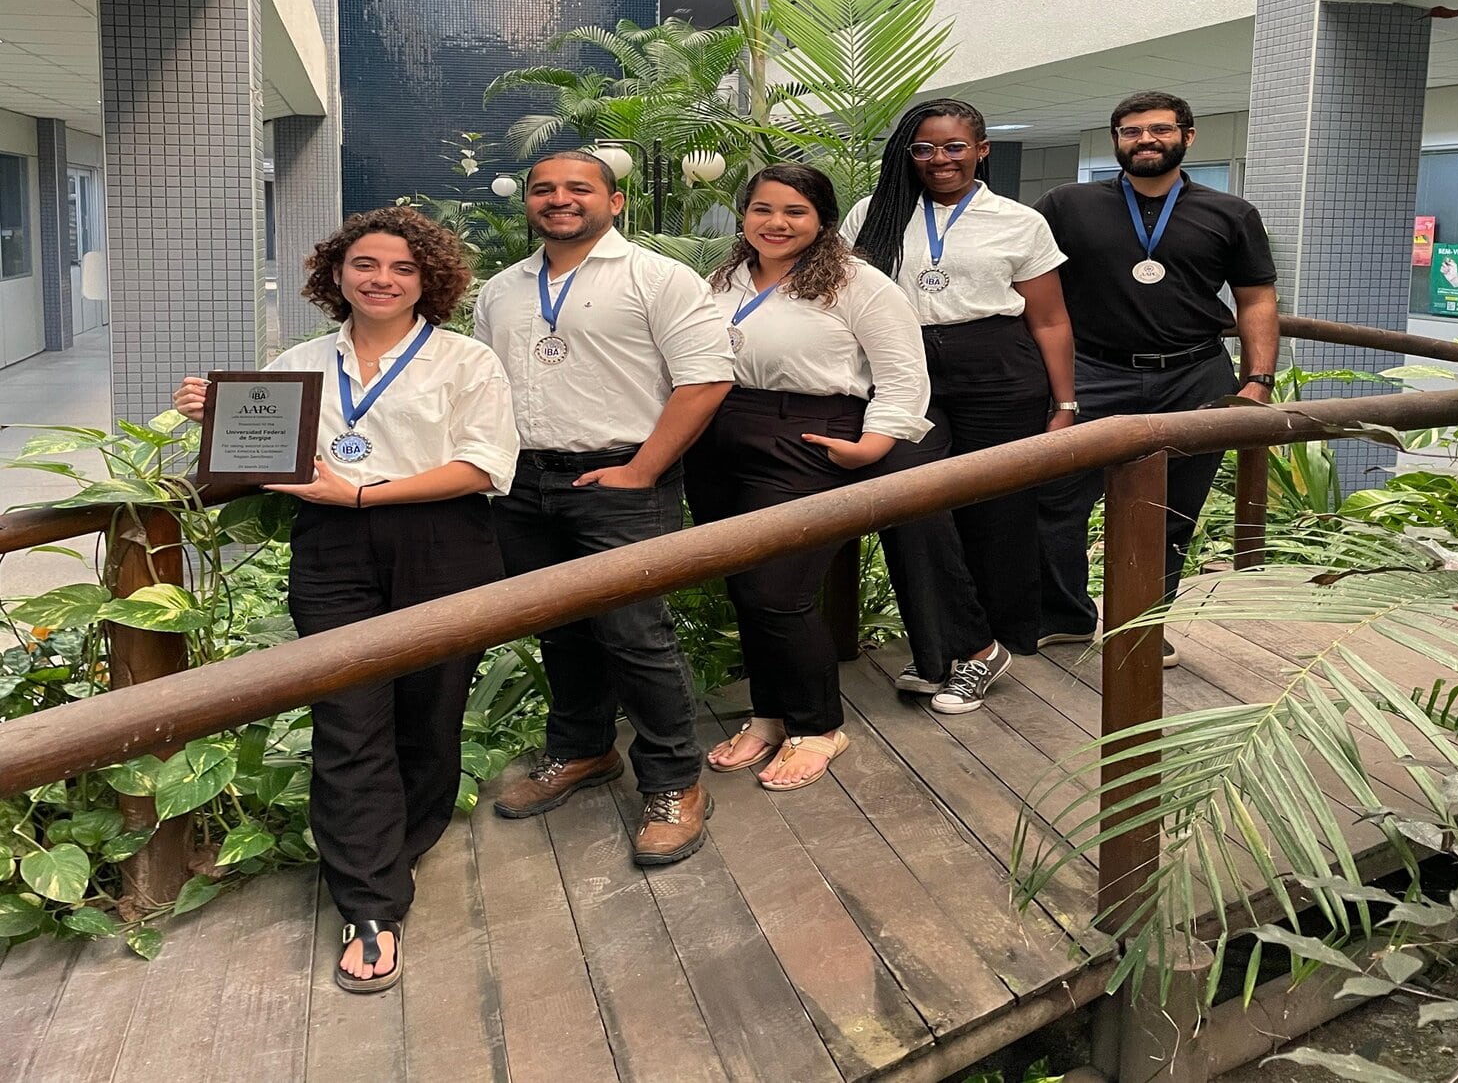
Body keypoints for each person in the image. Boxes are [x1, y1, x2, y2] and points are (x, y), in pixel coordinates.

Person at [173, 205, 518, 994]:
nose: (383, 280)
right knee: (348, 714)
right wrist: (214, 416)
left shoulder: (467, 362)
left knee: (431, 712)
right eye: (366, 265)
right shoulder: (296, 362)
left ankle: (397, 850)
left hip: (443, 541)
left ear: (429, 280)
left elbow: (482, 466)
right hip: (332, 551)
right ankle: (370, 903)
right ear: (336, 274)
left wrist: (364, 493)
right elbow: (257, 455)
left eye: (402, 268)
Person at [686, 164, 1003, 790]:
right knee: (746, 586)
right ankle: (768, 715)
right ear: (744, 215)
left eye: (795, 212)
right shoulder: (721, 277)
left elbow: (904, 373)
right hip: (719, 437)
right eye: (762, 210)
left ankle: (817, 726)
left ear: (823, 221)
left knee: (781, 589)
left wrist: (873, 443)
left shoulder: (858, 283)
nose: (776, 224)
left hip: (807, 437)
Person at [474, 150, 733, 864]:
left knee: (634, 634)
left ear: (614, 202)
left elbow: (706, 380)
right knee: (560, 629)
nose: (559, 200)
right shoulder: (501, 290)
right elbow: (479, 388)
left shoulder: (659, 278)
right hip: (522, 483)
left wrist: (642, 470)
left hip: (622, 478)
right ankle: (584, 750)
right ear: (527, 203)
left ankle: (676, 781)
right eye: (543, 190)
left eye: (578, 188)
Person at [1033, 90, 1280, 665]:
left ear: (1187, 137)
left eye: (1159, 129)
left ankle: (1141, 625)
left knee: (1170, 511)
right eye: (1131, 131)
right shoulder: (1065, 205)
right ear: (1116, 140)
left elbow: (1256, 298)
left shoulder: (1230, 213)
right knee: (1057, 500)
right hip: (1091, 373)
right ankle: (1066, 617)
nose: (1145, 139)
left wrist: (1257, 379)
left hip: (1192, 376)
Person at [845, 98, 1079, 668]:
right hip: (905, 368)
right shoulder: (873, 213)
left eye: (953, 146)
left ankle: (1006, 635)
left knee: (1001, 510)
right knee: (912, 499)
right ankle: (959, 643)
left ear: (981, 150)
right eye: (923, 148)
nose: (938, 159)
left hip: (997, 365)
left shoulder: (1021, 222)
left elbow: (1049, 319)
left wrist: (1065, 402)